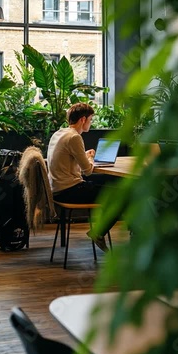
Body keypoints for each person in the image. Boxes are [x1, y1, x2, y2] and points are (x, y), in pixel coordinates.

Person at [47, 102, 117, 252]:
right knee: (121, 195)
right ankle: (98, 232)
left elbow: (67, 160)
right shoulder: (75, 137)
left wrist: (85, 156)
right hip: (70, 191)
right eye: (91, 119)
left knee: (110, 188)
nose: (91, 123)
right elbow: (88, 171)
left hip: (57, 189)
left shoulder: (59, 133)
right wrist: (91, 158)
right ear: (83, 119)